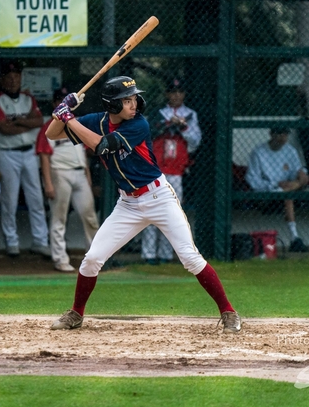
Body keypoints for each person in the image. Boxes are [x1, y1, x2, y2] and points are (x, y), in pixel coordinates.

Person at [45, 76, 241, 333]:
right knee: (92, 259)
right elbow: (51, 134)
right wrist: (63, 111)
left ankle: (228, 312)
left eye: (134, 98)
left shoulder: (139, 124)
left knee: (189, 257)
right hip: (127, 204)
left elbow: (102, 146)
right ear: (112, 105)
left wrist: (68, 117)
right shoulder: (96, 121)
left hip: (159, 198)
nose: (134, 104)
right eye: (126, 101)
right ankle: (76, 314)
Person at [0, 60, 51, 258]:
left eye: (16, 76)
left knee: (36, 198)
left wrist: (18, 121)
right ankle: (11, 242)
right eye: (9, 76)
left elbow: (39, 121)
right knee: (9, 200)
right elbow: (3, 127)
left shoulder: (28, 98)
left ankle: (40, 241)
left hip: (30, 153)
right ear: (2, 79)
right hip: (7, 154)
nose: (14, 79)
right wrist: (26, 124)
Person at [36, 87, 100, 272]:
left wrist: (87, 175)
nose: (61, 104)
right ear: (55, 103)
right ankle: (60, 259)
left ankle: (95, 258)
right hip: (59, 172)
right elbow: (44, 156)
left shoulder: (77, 124)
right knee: (59, 218)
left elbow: (85, 152)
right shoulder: (48, 126)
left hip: (79, 172)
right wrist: (48, 182)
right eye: (58, 101)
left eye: (64, 100)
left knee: (90, 216)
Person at [141, 78, 202, 265]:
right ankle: (149, 254)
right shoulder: (158, 114)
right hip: (156, 169)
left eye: (179, 92)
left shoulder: (190, 114)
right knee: (151, 210)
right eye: (173, 92)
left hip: (176, 170)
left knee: (172, 213)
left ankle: (166, 254)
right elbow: (148, 135)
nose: (176, 95)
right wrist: (167, 124)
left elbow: (195, 141)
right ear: (167, 94)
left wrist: (182, 126)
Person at [245, 127, 309, 253]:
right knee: (288, 194)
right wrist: (275, 185)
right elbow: (253, 180)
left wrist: (300, 176)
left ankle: (295, 238)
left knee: (295, 186)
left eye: (285, 134)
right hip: (266, 195)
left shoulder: (290, 151)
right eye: (279, 134)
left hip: (289, 190)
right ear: (271, 134)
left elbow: (296, 173)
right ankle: (294, 237)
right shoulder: (258, 152)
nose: (283, 138)